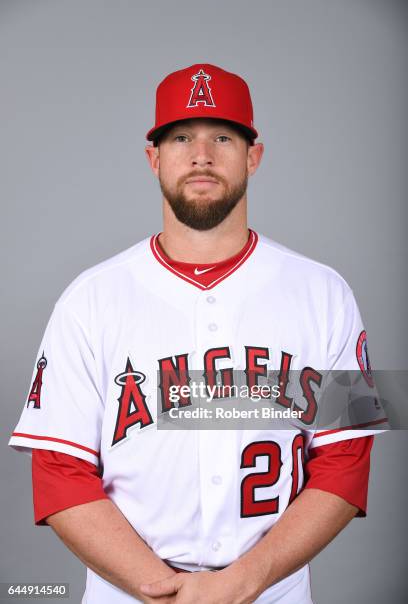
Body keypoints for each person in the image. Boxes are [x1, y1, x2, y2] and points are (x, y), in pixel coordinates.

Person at [9, 63, 388, 603]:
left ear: (253, 156)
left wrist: (246, 580)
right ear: (153, 157)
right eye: (181, 136)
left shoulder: (326, 292)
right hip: (128, 592)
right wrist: (158, 588)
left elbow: (346, 462)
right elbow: (59, 471)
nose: (201, 154)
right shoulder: (88, 299)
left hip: (272, 591)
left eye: (223, 137)